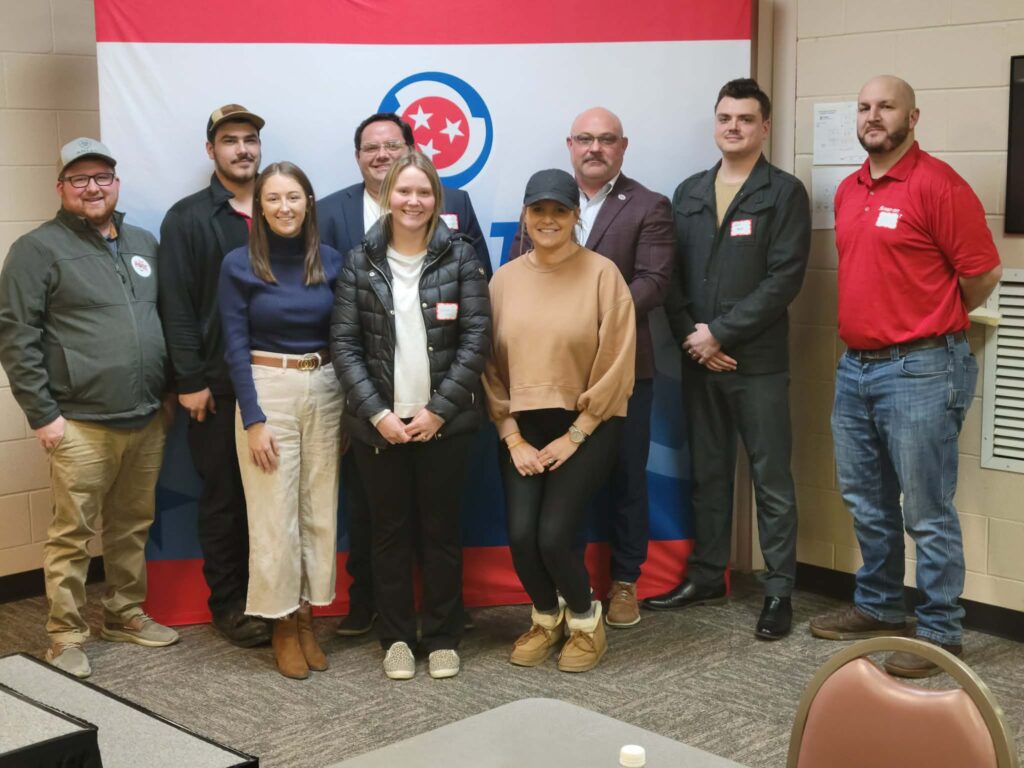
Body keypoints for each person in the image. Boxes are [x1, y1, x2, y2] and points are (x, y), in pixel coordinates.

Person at [809, 75, 1002, 677]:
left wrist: (932, 319)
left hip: (923, 367)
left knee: (925, 508)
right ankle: (879, 605)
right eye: (863, 107)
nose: (873, 116)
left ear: (912, 117)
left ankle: (941, 630)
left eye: (886, 106)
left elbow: (982, 274)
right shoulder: (849, 190)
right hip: (855, 368)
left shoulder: (939, 185)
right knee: (865, 500)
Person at [0, 138, 179, 678]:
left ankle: (123, 613)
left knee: (132, 525)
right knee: (72, 535)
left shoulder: (144, 242)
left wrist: (168, 391)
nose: (92, 187)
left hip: (145, 416)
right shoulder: (36, 250)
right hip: (78, 422)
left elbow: (162, 320)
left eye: (102, 176)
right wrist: (43, 415)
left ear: (116, 183)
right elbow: (16, 336)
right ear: (61, 188)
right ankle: (65, 634)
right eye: (79, 179)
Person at [643, 79, 810, 640]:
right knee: (709, 474)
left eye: (745, 118)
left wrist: (720, 334)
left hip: (755, 364)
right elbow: (669, 276)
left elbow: (783, 279)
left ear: (765, 127)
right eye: (724, 118)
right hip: (700, 361)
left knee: (771, 480)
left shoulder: (783, 193)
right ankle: (707, 576)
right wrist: (694, 338)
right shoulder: (689, 191)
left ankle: (779, 591)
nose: (733, 127)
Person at [319, 111, 492, 637]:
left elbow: (477, 340)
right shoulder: (359, 261)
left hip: (446, 422)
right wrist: (377, 414)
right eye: (403, 191)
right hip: (380, 425)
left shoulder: (461, 257)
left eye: (423, 192)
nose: (413, 201)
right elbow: (344, 344)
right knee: (388, 535)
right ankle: (395, 636)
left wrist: (439, 411)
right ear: (387, 197)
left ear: (436, 199)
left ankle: (442, 635)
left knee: (441, 533)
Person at [510, 107, 673, 628]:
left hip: (620, 371)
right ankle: (568, 587)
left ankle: (624, 581)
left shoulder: (648, 205)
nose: (594, 148)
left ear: (622, 146)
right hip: (548, 376)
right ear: (570, 145)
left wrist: (596, 316)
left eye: (606, 139)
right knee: (564, 492)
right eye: (585, 138)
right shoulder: (542, 205)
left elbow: (654, 280)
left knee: (626, 479)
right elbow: (522, 278)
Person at [485, 168, 636, 673]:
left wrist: (577, 434)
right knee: (521, 535)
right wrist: (511, 437)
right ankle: (546, 618)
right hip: (522, 429)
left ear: (576, 217)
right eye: (538, 210)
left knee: (553, 535)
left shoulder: (603, 275)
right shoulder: (503, 280)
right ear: (524, 216)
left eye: (559, 210)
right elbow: (488, 366)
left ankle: (586, 621)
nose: (548, 219)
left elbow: (618, 363)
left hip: (588, 425)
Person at [218, 162, 344, 680]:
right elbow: (234, 345)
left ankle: (308, 615)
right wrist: (253, 419)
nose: (284, 207)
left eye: (293, 197)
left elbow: (344, 336)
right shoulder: (238, 264)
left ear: (308, 203)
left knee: (320, 510)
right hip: (267, 390)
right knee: (274, 515)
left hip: (327, 388)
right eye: (273, 199)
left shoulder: (331, 260)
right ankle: (282, 623)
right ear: (260, 208)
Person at [158, 104, 271, 648]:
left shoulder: (281, 205)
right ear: (211, 150)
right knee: (225, 499)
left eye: (250, 139)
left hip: (279, 380)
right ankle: (230, 604)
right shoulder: (186, 218)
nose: (242, 149)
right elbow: (176, 305)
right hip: (219, 386)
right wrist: (190, 379)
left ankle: (272, 598)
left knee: (272, 499)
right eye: (230, 140)